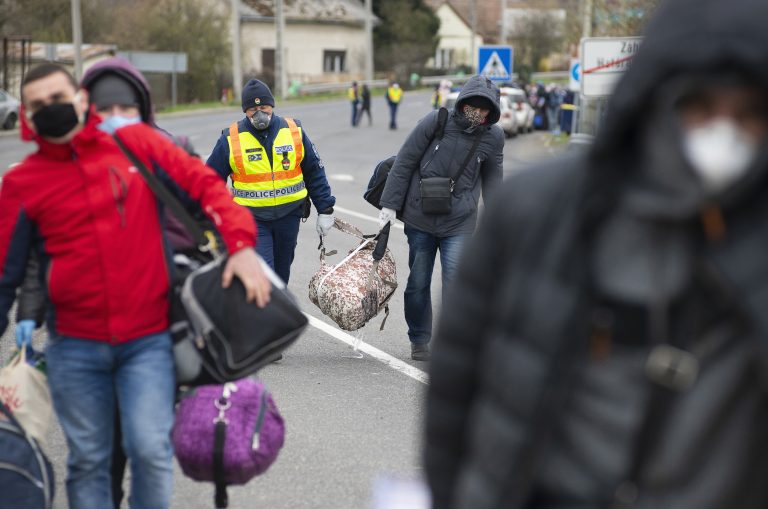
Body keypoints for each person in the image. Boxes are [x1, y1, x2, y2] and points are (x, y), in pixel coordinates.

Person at [424, 0, 768, 507]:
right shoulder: (536, 214)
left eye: (750, 113)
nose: (722, 133)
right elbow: (455, 394)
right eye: (699, 106)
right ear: (655, 99)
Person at [0, 63, 271, 509]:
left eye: (59, 98)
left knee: (150, 449)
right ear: (26, 115)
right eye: (39, 105)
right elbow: (7, 276)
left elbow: (210, 190)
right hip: (75, 347)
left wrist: (240, 245)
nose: (52, 110)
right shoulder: (22, 183)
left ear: (81, 102)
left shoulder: (137, 145)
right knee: (89, 460)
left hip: (146, 342)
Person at [377, 75, 503, 361]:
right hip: (420, 217)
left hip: (459, 221)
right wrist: (389, 206)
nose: (479, 113)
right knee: (418, 282)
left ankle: (455, 343)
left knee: (457, 283)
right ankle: (419, 338)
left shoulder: (493, 136)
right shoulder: (437, 121)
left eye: (486, 109)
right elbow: (405, 160)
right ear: (463, 102)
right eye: (475, 105)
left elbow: (494, 183)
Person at [206, 79, 336, 284]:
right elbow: (209, 180)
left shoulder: (294, 131)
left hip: (289, 216)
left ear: (272, 106)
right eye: (252, 109)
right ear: (245, 111)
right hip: (252, 219)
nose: (259, 114)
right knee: (265, 276)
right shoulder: (231, 139)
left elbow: (314, 170)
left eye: (263, 107)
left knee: (281, 275)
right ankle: (264, 312)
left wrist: (325, 209)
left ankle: (274, 312)